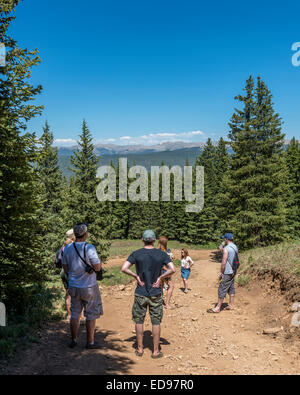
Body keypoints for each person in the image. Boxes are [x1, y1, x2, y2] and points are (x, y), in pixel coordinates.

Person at [121, 230, 176, 359]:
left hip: (140, 292)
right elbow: (173, 269)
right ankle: (155, 351)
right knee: (156, 322)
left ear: (142, 240)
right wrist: (161, 277)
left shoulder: (136, 253)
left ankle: (140, 349)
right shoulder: (161, 254)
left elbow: (124, 268)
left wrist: (136, 276)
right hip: (156, 292)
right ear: (154, 240)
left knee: (139, 320)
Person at [62, 223, 103, 349]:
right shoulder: (89, 247)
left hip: (73, 285)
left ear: (75, 234)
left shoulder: (68, 248)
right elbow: (97, 267)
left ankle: (73, 340)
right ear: (85, 234)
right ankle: (90, 342)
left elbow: (65, 267)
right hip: (89, 286)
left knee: (74, 314)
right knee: (90, 314)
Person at [207, 233, 239, 314]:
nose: (224, 240)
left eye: (224, 239)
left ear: (226, 239)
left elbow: (224, 262)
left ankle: (217, 308)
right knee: (231, 286)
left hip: (227, 271)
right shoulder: (234, 247)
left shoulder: (226, 249)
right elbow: (225, 252)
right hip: (233, 270)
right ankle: (231, 304)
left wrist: (221, 272)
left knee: (222, 288)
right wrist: (222, 246)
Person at [157, 236, 175, 309]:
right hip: (164, 271)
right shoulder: (164, 252)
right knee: (171, 286)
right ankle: (167, 304)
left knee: (161, 286)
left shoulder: (157, 251)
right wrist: (166, 268)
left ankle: (159, 302)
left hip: (158, 272)